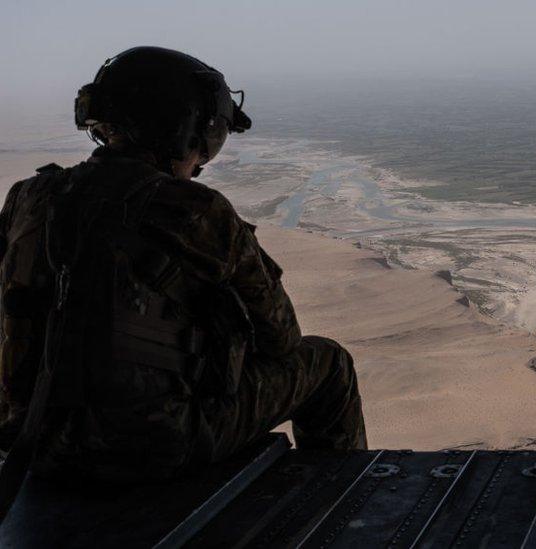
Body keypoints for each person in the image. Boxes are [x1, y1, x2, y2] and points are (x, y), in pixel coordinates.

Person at [0, 47, 367, 488]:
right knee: (328, 363)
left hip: (32, 442)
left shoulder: (28, 196)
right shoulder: (196, 211)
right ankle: (343, 501)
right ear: (190, 130)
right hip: (155, 447)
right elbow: (282, 339)